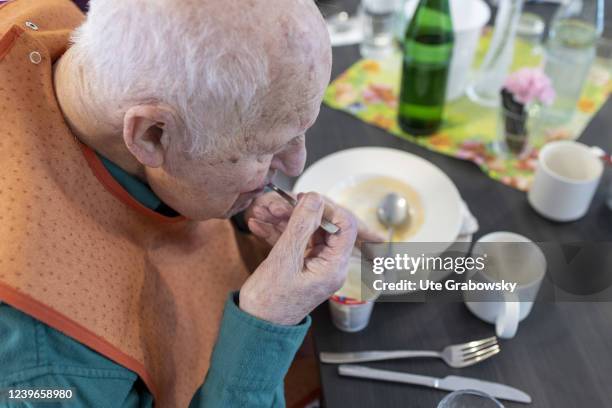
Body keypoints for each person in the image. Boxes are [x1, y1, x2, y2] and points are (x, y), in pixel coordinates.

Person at [0, 0, 381, 406]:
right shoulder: (46, 365)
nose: (295, 164)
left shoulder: (79, 48)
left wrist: (242, 205)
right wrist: (268, 322)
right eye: (266, 149)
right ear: (151, 136)